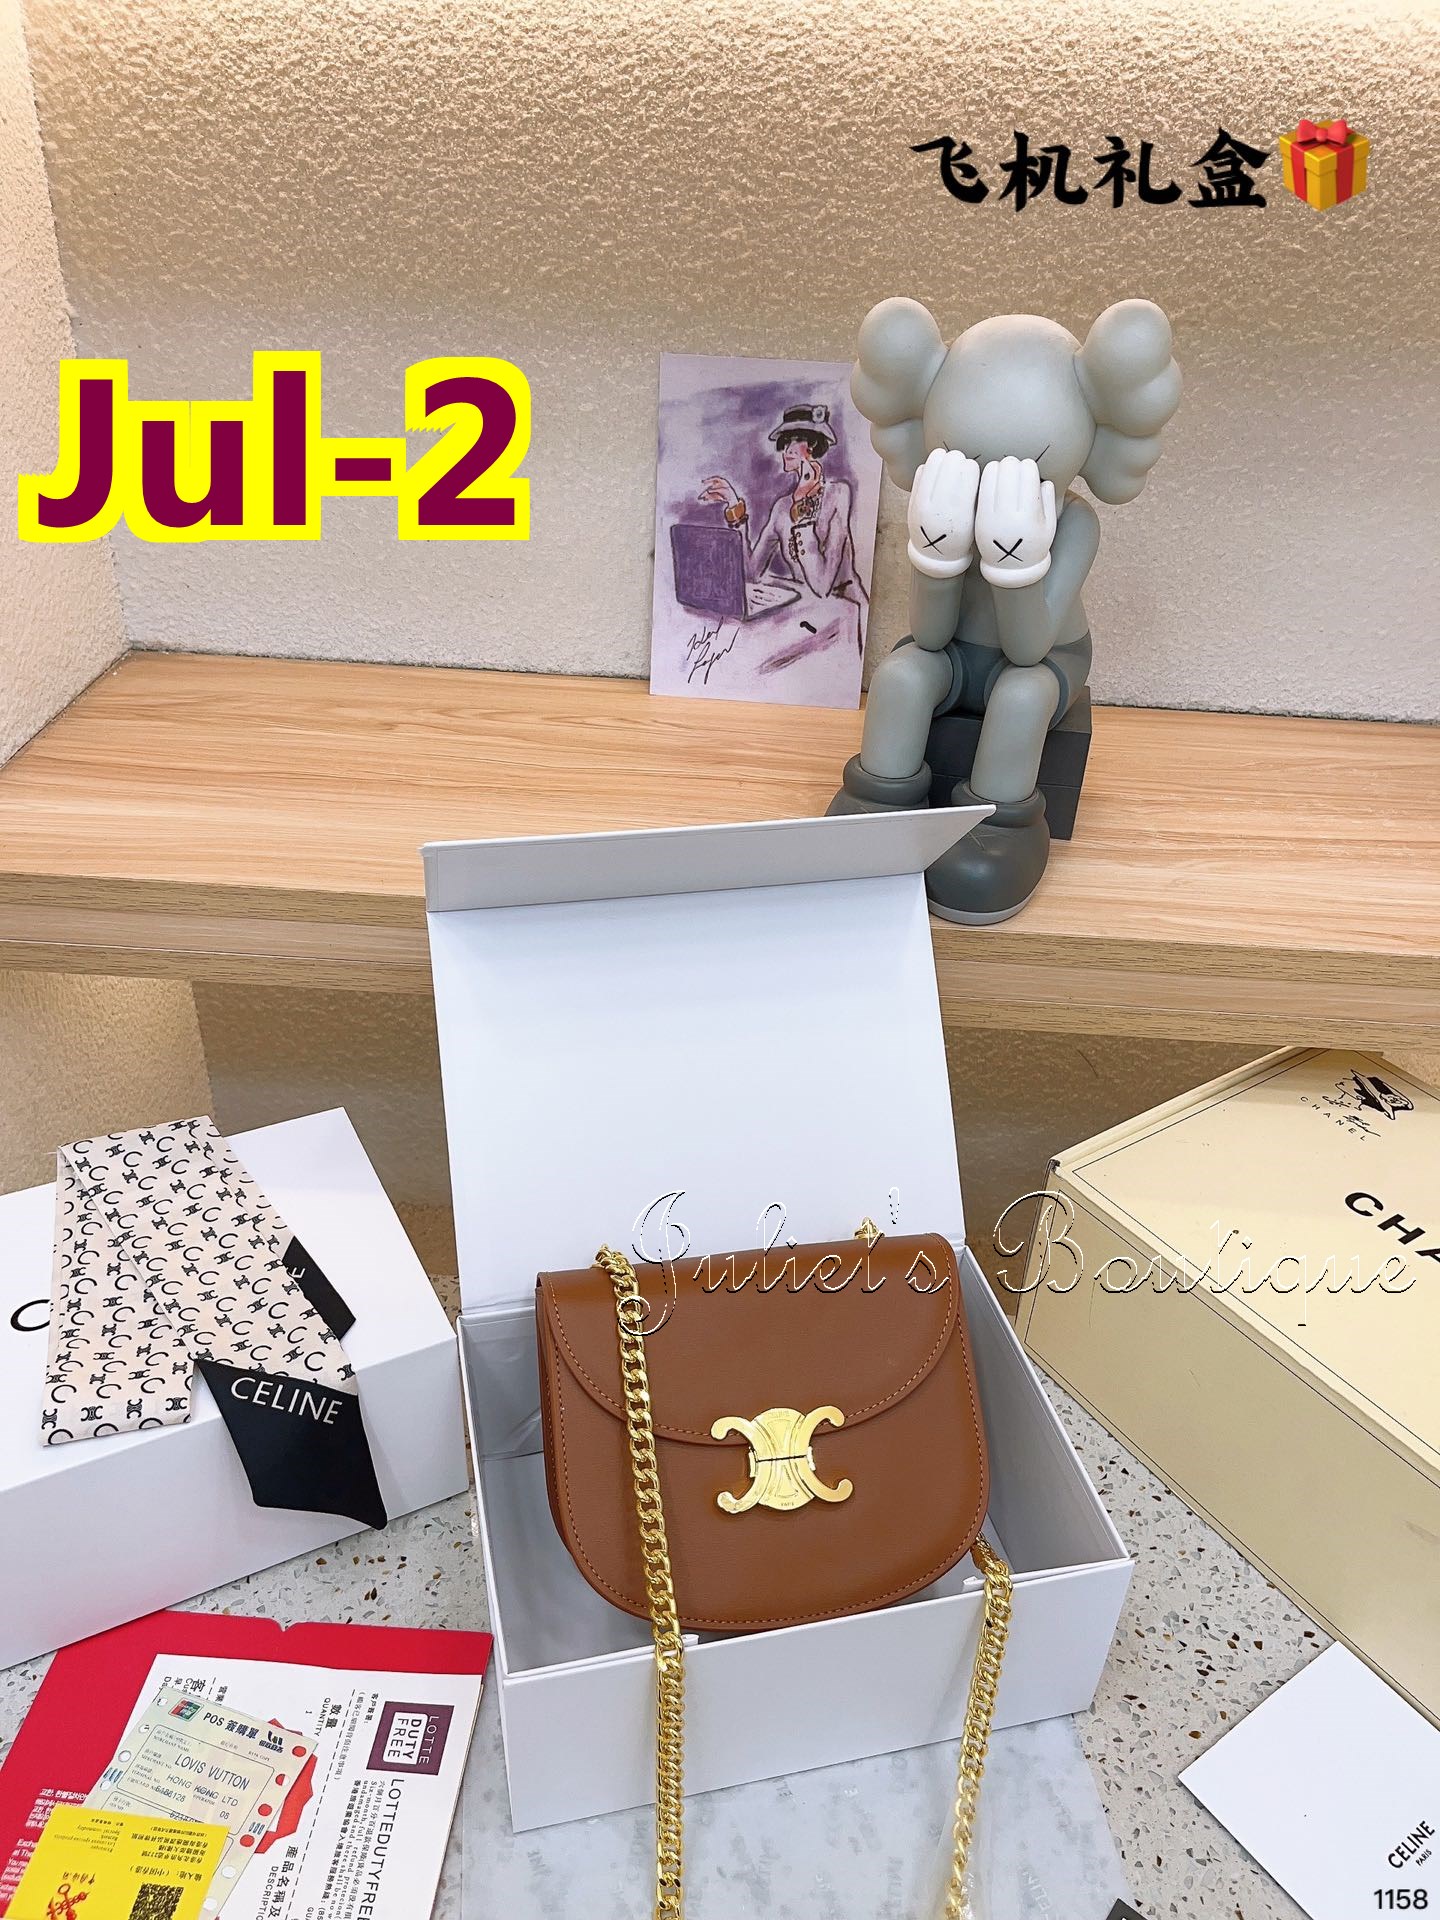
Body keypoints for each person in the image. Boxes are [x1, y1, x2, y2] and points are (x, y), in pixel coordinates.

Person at [700, 403, 867, 608]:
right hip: (807, 609)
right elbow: (751, 573)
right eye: (786, 441)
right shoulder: (782, 507)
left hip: (847, 609)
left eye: (797, 440)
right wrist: (734, 507)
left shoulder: (838, 493)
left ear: (814, 444)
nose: (788, 449)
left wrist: (802, 506)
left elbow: (822, 586)